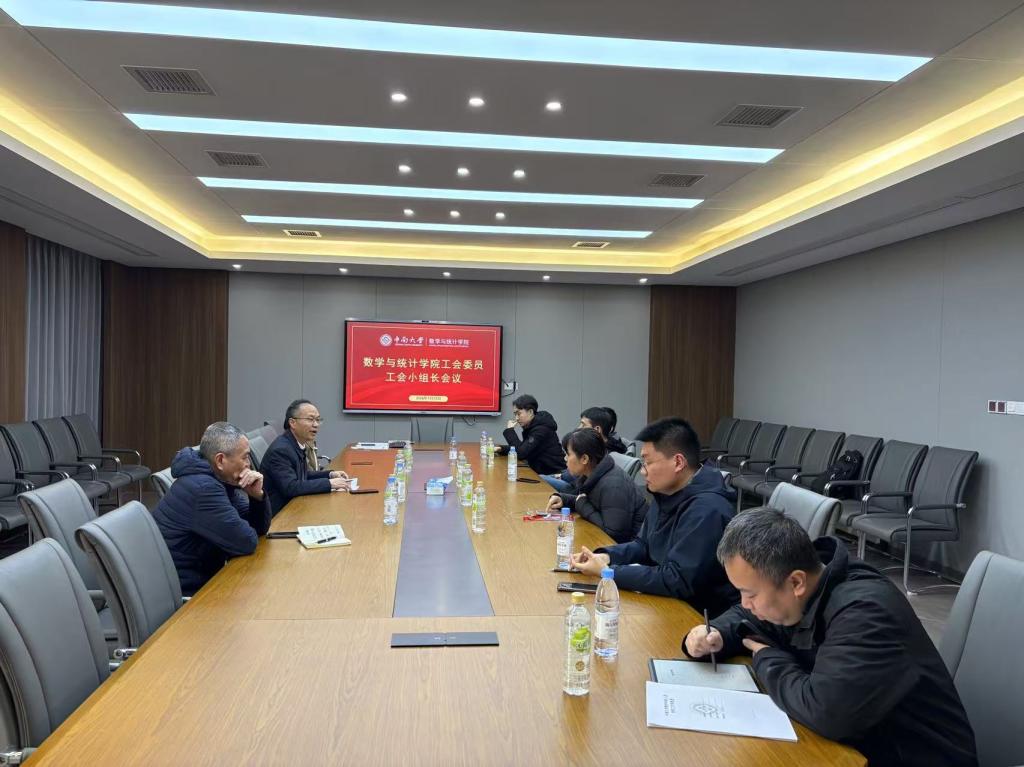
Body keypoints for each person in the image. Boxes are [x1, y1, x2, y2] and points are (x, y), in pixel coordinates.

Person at [683, 508, 977, 767]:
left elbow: (824, 712)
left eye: (750, 594)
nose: (745, 603)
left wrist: (766, 658)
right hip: (860, 746)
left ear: (796, 582)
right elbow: (748, 617)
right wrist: (715, 633)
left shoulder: (865, 614)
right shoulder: (807, 587)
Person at [570, 417, 739, 614]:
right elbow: (644, 545)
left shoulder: (708, 510)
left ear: (678, 462)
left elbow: (677, 579)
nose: (643, 471)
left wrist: (608, 572)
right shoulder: (668, 492)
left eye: (648, 462)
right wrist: (606, 556)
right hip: (668, 601)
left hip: (700, 615)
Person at [152, 422, 272, 595]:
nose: (249, 464)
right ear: (220, 460)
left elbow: (257, 529)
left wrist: (256, 496)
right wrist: (246, 527)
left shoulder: (217, 479)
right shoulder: (204, 488)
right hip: (189, 593)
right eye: (245, 457)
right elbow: (246, 542)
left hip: (204, 577)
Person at [545, 428, 648, 543]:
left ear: (584, 459)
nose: (565, 459)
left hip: (626, 548)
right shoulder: (593, 474)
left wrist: (582, 504)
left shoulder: (613, 485)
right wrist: (564, 500)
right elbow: (590, 503)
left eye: (568, 454)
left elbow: (614, 535)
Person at [262, 399, 350, 516]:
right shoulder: (281, 450)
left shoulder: (295, 443)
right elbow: (291, 487)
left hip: (295, 507)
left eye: (318, 420)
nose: (316, 424)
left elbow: (302, 475)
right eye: (310, 419)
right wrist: (330, 484)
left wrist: (330, 475)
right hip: (280, 515)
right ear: (292, 423)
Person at [495, 394, 566, 475]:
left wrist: (510, 430)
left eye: (519, 414)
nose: (516, 418)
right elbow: (523, 448)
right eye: (515, 414)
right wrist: (501, 449)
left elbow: (521, 453)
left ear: (530, 412)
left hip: (555, 474)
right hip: (543, 471)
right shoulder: (533, 426)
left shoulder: (541, 429)